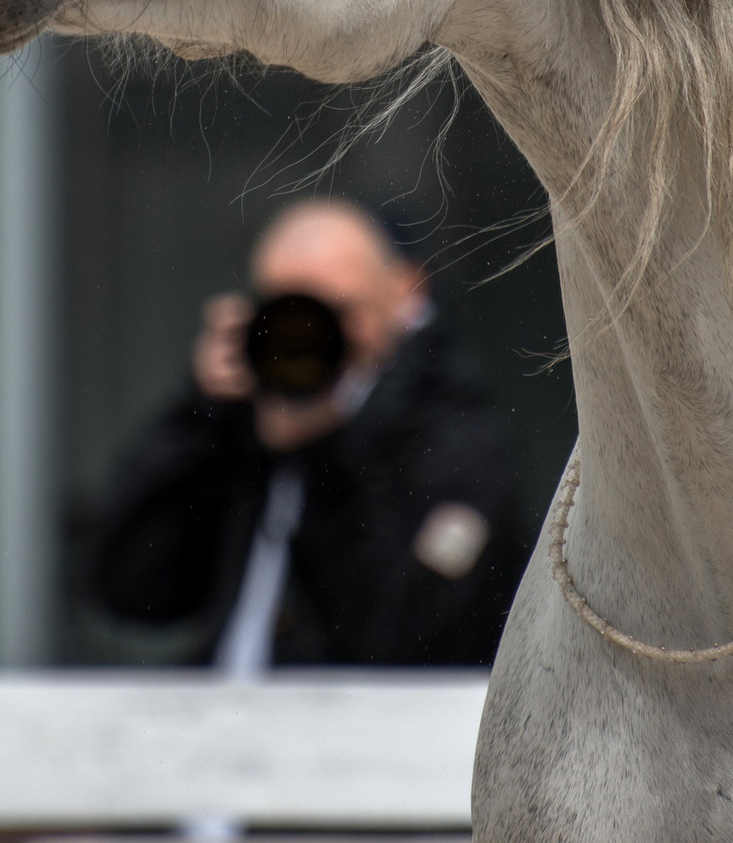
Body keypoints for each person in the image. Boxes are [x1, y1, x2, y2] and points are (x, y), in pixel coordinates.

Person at [91, 197, 523, 668]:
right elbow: (128, 589)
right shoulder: (243, 424)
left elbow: (410, 638)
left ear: (404, 293)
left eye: (338, 312)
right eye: (287, 311)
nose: (308, 337)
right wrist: (201, 417)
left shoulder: (453, 440)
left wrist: (333, 449)